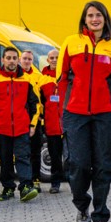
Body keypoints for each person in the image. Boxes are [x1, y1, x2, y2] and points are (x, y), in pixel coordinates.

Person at [58, 0, 111, 222]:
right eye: (90, 15)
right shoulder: (71, 42)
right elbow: (62, 79)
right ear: (84, 19)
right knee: (78, 164)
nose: (94, 19)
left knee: (104, 165)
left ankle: (101, 216)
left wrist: (105, 101)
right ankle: (81, 206)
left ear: (105, 19)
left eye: (99, 15)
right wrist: (64, 111)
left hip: (106, 115)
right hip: (75, 114)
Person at [0, 46, 41, 203]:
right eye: (8, 58)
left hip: (22, 127)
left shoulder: (27, 79)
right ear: (2, 59)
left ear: (18, 60)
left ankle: (25, 187)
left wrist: (33, 125)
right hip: (2, 128)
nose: (11, 61)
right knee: (5, 159)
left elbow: (36, 104)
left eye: (14, 58)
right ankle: (8, 188)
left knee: (23, 157)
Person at [39, 50, 66, 194]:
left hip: (68, 123)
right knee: (54, 156)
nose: (54, 60)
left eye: (57, 57)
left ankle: (75, 182)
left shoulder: (67, 75)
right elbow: (39, 101)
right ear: (48, 60)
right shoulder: (42, 79)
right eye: (52, 58)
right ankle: (55, 183)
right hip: (51, 124)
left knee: (72, 156)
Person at [20, 50, 46, 192]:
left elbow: (44, 98)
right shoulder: (17, 76)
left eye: (29, 59)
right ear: (20, 60)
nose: (27, 61)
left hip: (36, 120)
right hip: (21, 119)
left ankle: (36, 180)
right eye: (24, 58)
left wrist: (42, 115)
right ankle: (26, 181)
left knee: (35, 152)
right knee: (23, 153)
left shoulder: (38, 77)